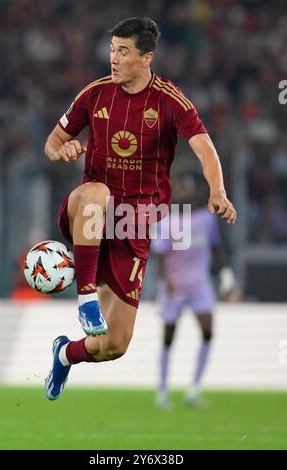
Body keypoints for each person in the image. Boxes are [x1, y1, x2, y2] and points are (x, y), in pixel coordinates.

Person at [43, 17, 237, 400]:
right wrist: (60, 150)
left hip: (133, 228)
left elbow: (204, 146)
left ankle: (64, 353)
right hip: (89, 215)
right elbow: (53, 141)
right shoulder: (94, 94)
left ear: (147, 57)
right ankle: (85, 300)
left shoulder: (169, 100)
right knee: (95, 192)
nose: (113, 59)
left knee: (113, 346)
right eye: (112, 49)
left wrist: (218, 190)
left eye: (123, 51)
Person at [152, 175, 239, 409]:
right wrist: (166, 280)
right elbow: (159, 255)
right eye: (178, 189)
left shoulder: (205, 219)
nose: (182, 193)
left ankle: (194, 389)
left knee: (208, 332)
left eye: (185, 189)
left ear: (192, 193)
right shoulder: (165, 221)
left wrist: (226, 276)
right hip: (175, 286)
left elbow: (216, 247)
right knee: (168, 338)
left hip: (199, 284)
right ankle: (162, 391)